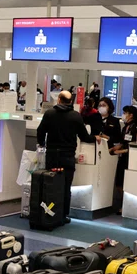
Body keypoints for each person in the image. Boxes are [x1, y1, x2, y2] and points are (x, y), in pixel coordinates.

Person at [36, 90, 96, 223]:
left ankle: (49, 213)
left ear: (58, 100)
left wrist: (42, 144)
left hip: (52, 155)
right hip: (67, 156)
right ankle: (63, 216)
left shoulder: (49, 113)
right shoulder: (75, 116)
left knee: (50, 185)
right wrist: (95, 137)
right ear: (71, 102)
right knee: (65, 186)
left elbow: (40, 131)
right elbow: (84, 137)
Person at [110, 105, 137, 213]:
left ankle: (126, 206)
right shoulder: (125, 127)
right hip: (122, 157)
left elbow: (134, 145)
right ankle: (123, 203)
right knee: (119, 183)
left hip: (129, 158)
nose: (123, 115)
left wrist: (121, 151)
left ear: (131, 115)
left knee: (126, 182)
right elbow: (124, 142)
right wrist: (115, 148)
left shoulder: (136, 128)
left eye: (125, 113)